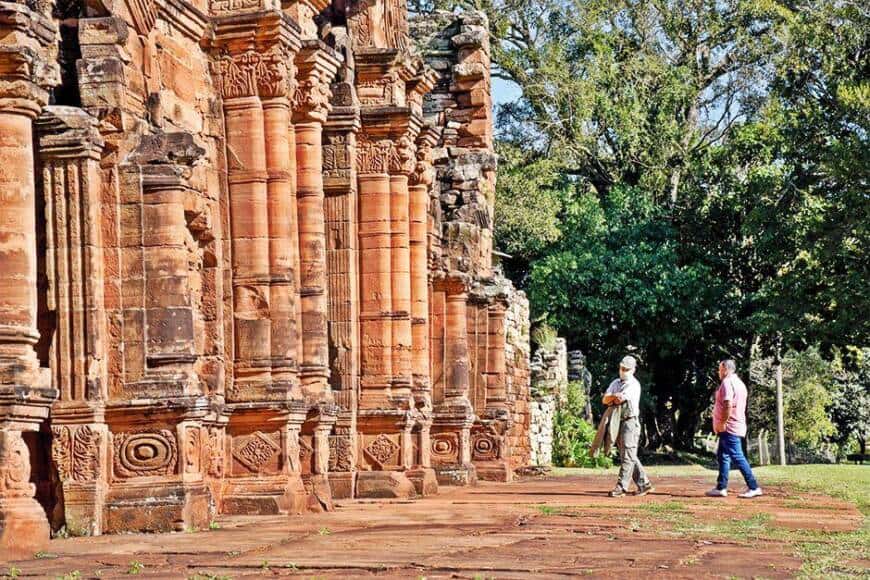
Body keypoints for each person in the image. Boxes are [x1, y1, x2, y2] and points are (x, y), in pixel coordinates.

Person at [706, 359, 763, 498]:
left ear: (725, 369)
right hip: (735, 425)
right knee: (723, 456)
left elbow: (727, 404)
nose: (718, 372)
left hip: (730, 426)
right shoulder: (740, 383)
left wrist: (723, 422)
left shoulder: (727, 382)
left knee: (737, 456)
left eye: (719, 369)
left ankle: (754, 487)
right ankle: (721, 487)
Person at [603, 355, 653, 497]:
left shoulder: (634, 385)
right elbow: (605, 399)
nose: (623, 371)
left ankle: (621, 487)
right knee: (628, 455)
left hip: (630, 422)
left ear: (633, 370)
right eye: (622, 368)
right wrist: (613, 397)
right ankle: (644, 484)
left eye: (626, 369)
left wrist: (612, 398)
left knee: (627, 456)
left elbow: (618, 399)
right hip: (618, 421)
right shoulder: (615, 382)